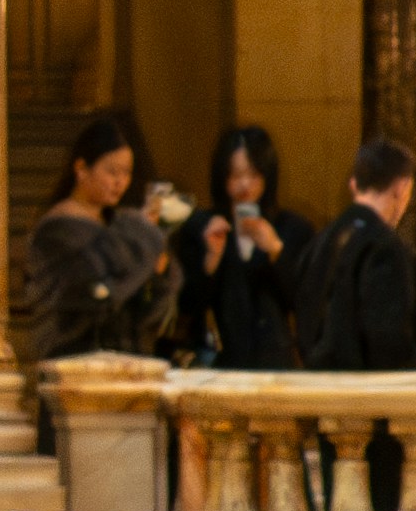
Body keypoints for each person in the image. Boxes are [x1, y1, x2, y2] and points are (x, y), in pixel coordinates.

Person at [305, 136, 416, 511]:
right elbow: (387, 335)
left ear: (355, 184)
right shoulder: (385, 246)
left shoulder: (324, 238)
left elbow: (305, 313)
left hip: (327, 397)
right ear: (400, 189)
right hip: (374, 408)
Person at [18, 104, 176, 364]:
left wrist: (158, 272)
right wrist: (140, 244)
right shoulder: (55, 230)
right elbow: (98, 294)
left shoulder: (116, 222)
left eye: (126, 173)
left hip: (125, 363)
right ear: (81, 169)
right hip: (75, 364)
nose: (120, 182)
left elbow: (143, 311)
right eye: (112, 171)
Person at [178, 123, 306, 368]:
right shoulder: (201, 227)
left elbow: (305, 301)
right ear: (222, 177)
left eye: (254, 174)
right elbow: (187, 305)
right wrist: (211, 260)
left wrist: (276, 251)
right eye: (236, 175)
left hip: (276, 366)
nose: (245, 184)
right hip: (218, 363)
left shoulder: (291, 228)